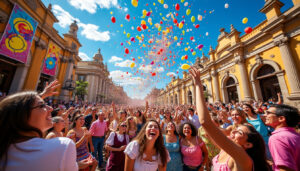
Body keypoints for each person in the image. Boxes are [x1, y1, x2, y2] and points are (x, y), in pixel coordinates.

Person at [189, 66, 271, 171]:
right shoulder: (227, 149)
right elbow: (215, 137)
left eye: (239, 132)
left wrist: (198, 85)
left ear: (248, 144)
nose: (234, 129)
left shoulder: (242, 158)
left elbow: (205, 122)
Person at [0, 80, 78, 171]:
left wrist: (41, 96)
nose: (51, 108)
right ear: (22, 115)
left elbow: (21, 108)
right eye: (42, 106)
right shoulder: (64, 147)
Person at [265, 104, 300, 171]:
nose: (265, 115)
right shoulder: (296, 135)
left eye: (268, 113)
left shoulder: (277, 138)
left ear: (281, 118)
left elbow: (285, 168)